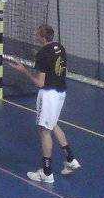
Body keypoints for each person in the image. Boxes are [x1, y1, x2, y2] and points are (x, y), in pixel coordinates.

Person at [10, 25, 80, 183]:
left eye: (37, 34)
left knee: (44, 131)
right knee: (53, 124)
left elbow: (40, 83)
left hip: (49, 95)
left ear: (42, 37)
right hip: (61, 92)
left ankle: (47, 173)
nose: (35, 36)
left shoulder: (42, 54)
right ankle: (70, 159)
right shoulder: (60, 48)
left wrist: (24, 71)